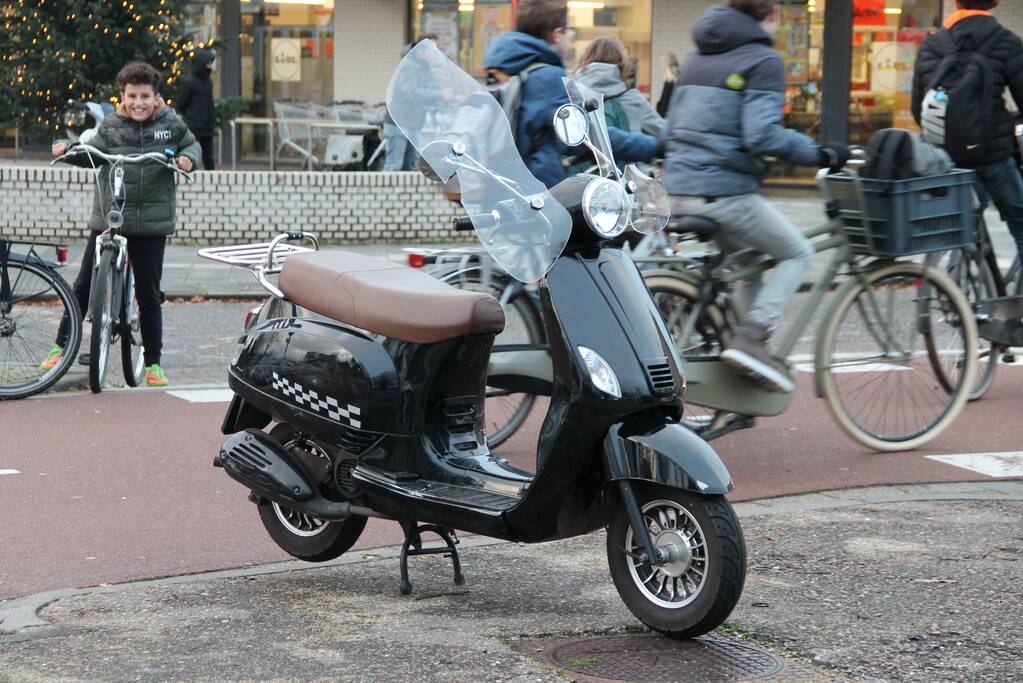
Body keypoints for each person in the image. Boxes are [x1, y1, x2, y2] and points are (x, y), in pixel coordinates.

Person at [663, 0, 849, 393]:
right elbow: (761, 135)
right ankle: (751, 337)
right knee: (796, 252)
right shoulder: (762, 60)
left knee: (749, 261)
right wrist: (818, 152)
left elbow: (671, 127)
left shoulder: (697, 58)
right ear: (774, 14)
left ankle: (745, 359)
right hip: (723, 193)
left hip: (679, 188)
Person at [44, 62, 200, 387]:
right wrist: (66, 149)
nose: (138, 102)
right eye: (132, 95)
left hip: (151, 222)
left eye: (145, 96)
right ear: (123, 96)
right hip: (110, 215)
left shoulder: (170, 125)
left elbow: (191, 145)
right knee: (84, 285)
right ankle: (60, 345)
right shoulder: (112, 126)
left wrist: (188, 159)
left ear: (156, 97)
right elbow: (91, 151)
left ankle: (154, 364)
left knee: (149, 293)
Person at [483, 0, 658, 188]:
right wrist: (652, 145)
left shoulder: (501, 68)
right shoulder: (546, 76)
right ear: (557, 34)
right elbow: (582, 134)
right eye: (569, 31)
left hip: (501, 184)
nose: (570, 38)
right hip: (537, 193)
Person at [912, 0, 1023, 264]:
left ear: (956, 3)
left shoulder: (932, 44)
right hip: (992, 155)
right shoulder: (1006, 42)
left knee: (960, 229)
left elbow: (918, 108)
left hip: (948, 160)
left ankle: (955, 294)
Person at [574, 36, 665, 139]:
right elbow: (665, 135)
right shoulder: (633, 100)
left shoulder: (573, 99)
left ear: (586, 59)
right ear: (622, 62)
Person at [383, 34, 439, 172]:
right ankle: (386, 193)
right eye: (432, 48)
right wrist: (439, 94)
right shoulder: (409, 66)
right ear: (420, 51)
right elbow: (411, 92)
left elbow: (431, 90)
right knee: (394, 166)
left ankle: (405, 194)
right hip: (399, 123)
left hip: (413, 123)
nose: (436, 52)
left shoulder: (425, 68)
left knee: (412, 166)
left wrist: (446, 97)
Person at [176, 48, 217, 170]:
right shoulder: (189, 82)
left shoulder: (208, 82)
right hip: (194, 127)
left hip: (207, 126)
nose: (209, 66)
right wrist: (191, 116)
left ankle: (213, 183)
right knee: (194, 155)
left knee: (209, 158)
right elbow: (181, 103)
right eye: (208, 63)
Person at [656, 52, 680, 118]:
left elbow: (664, 104)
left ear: (667, 64)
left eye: (662, 63)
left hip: (669, 119)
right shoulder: (679, 77)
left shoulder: (670, 81)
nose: (661, 67)